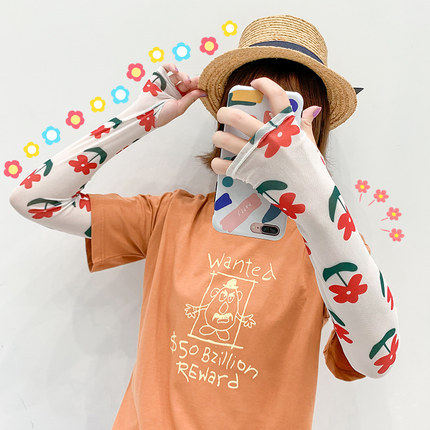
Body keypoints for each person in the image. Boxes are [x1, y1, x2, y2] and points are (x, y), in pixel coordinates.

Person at [9, 14, 399, 430]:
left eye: (283, 117)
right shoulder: (169, 217)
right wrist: (139, 118)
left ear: (310, 131)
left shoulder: (330, 247)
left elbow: (377, 359)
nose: (262, 132)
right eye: (250, 109)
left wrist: (316, 198)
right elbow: (35, 199)